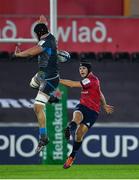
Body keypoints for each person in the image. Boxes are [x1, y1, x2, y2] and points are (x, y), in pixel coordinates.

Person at [14, 15, 60, 153]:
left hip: (49, 79)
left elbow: (31, 52)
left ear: (39, 34)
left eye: (36, 34)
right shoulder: (50, 36)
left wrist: (19, 54)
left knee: (37, 108)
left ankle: (43, 137)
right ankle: (50, 97)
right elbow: (43, 31)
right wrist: (42, 22)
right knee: (32, 84)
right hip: (42, 75)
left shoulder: (45, 43)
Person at [60, 60, 114, 169]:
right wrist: (104, 104)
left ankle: (72, 156)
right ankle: (69, 129)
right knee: (77, 117)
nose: (81, 70)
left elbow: (71, 84)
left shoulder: (90, 80)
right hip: (82, 106)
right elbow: (100, 93)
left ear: (89, 70)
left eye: (84, 68)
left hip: (93, 112)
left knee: (79, 135)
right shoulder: (93, 80)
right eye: (80, 68)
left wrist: (58, 80)